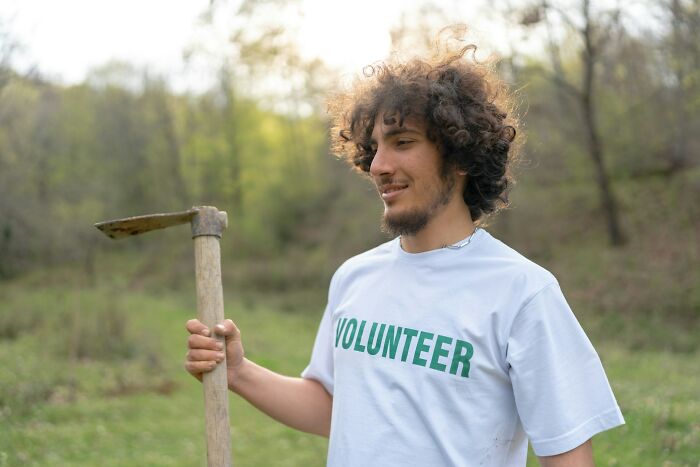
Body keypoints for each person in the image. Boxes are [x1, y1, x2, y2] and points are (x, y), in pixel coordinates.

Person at [184, 36, 624, 466]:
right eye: (374, 148)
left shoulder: (523, 292)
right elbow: (333, 408)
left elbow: (566, 452)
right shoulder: (354, 277)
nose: (378, 166)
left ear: (460, 155)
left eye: (403, 142)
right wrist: (238, 372)